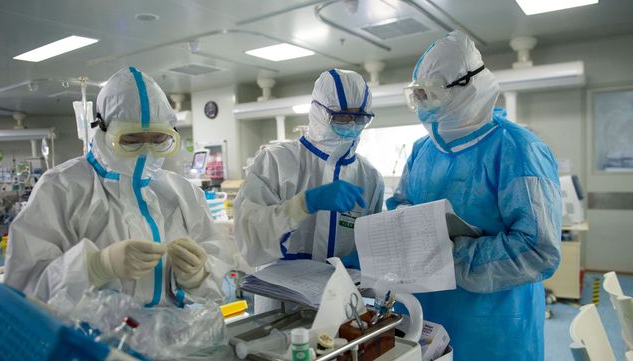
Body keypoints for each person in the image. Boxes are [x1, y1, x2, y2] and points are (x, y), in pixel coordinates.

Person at [388, 31, 562, 361]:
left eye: (431, 94)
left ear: (467, 88)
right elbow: (402, 202)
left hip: (495, 327)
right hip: (424, 316)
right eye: (418, 95)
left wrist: (449, 257)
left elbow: (539, 249)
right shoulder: (423, 150)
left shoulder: (520, 150)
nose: (423, 106)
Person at [4, 67, 232, 307]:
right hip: (91, 343)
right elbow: (22, 292)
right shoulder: (61, 188)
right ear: (103, 131)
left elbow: (221, 282)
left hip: (176, 341)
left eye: (158, 139)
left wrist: (199, 276)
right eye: (131, 140)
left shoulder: (183, 193)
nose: (146, 151)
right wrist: (95, 266)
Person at [234, 69, 384, 269]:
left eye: (360, 118)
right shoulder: (275, 161)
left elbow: (373, 240)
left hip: (341, 291)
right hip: (280, 294)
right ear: (318, 112)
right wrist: (303, 205)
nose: (352, 125)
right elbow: (249, 238)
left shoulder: (370, 177)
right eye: (342, 117)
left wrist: (367, 258)